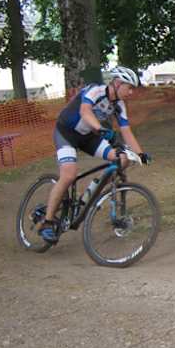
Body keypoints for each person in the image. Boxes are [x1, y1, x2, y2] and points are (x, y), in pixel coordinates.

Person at [38, 66, 150, 244]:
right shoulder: (95, 90)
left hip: (89, 137)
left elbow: (126, 131)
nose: (131, 92)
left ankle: (95, 190)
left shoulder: (119, 105)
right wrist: (100, 129)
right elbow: (85, 111)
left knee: (122, 159)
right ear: (118, 83)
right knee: (68, 174)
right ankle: (47, 221)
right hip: (67, 133)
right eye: (129, 87)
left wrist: (141, 154)